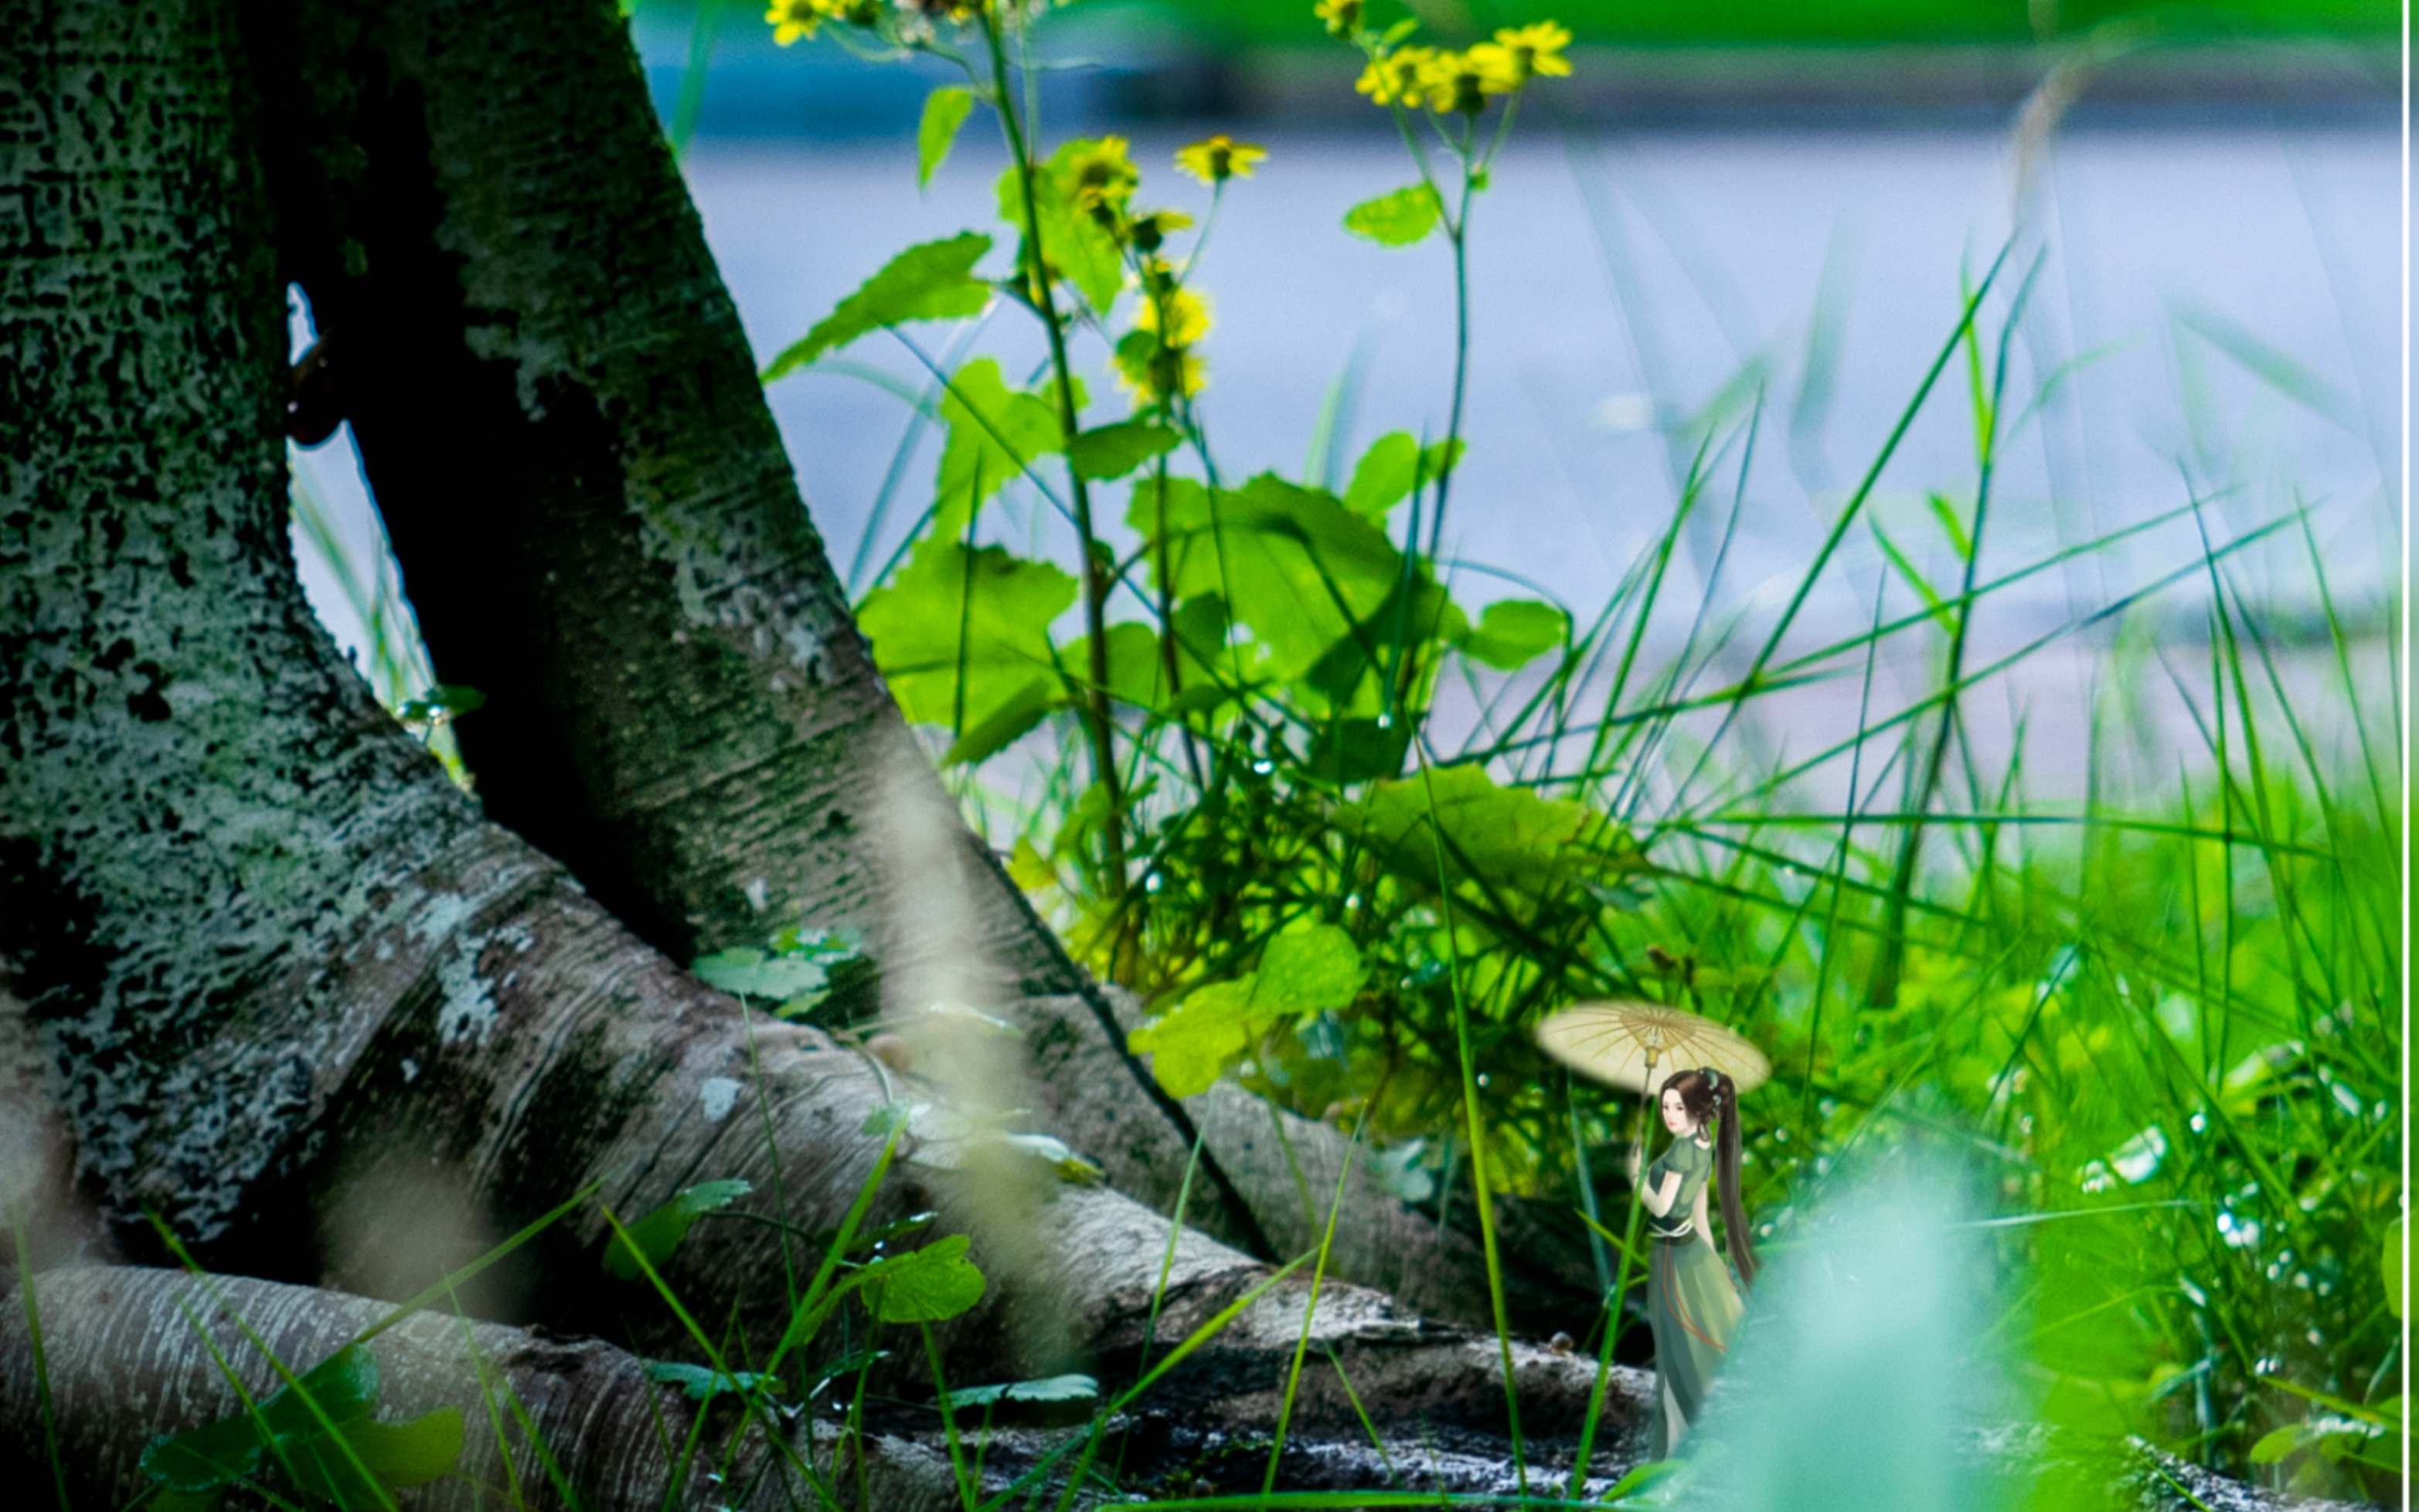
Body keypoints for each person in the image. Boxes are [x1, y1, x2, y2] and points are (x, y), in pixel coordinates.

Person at [1628, 1064, 1757, 1457]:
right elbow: (1700, 1213)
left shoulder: (1684, 1151)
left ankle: (1673, 1449)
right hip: (1693, 1250)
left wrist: (1637, 1178)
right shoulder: (1702, 1146)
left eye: (1676, 1108)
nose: (1668, 1116)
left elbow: (1666, 1205)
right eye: (1665, 1107)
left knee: (1675, 1349)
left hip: (1672, 1250)